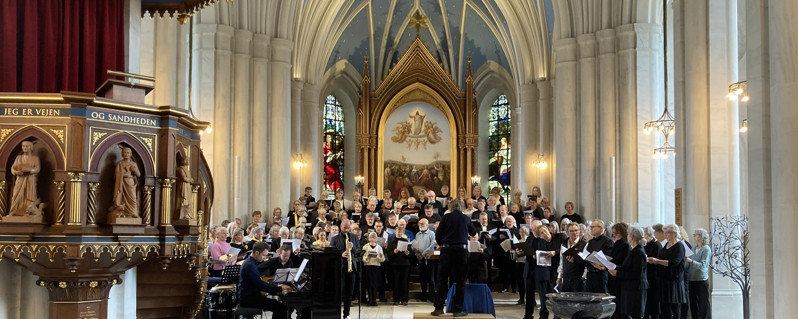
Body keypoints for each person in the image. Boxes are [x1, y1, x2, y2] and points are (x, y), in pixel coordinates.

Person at [431, 199, 477, 317]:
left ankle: (439, 308)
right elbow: (473, 233)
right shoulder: (466, 218)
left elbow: (438, 234)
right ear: (461, 207)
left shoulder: (446, 218)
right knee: (460, 281)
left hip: (447, 250)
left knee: (442, 279)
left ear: (450, 207)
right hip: (461, 251)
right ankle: (457, 310)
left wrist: (442, 244)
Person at [237, 242, 290, 319]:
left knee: (279, 306)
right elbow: (260, 285)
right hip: (248, 299)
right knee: (280, 307)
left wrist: (277, 286)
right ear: (257, 252)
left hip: (250, 296)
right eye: (264, 255)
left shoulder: (251, 262)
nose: (265, 258)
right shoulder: (250, 265)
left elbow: (260, 282)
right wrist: (279, 288)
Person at [648, 224, 687, 319]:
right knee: (665, 307)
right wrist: (654, 261)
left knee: (674, 306)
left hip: (674, 280)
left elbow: (674, 262)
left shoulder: (679, 246)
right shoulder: (666, 244)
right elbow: (661, 257)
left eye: (667, 233)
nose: (665, 235)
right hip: (664, 279)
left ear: (674, 233)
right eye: (664, 232)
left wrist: (657, 261)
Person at [609, 226, 649, 319]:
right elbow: (627, 268)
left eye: (628, 234)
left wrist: (617, 273)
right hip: (631, 287)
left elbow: (636, 274)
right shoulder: (634, 250)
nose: (626, 236)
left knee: (635, 315)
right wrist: (614, 267)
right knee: (629, 314)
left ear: (631, 237)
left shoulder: (638, 251)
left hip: (636, 288)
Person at [519, 224, 556, 319]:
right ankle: (528, 315)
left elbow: (549, 252)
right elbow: (526, 252)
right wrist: (520, 253)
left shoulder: (545, 239)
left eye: (535, 229)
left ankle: (543, 315)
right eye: (532, 230)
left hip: (542, 270)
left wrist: (538, 256)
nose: (534, 231)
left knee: (543, 295)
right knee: (529, 294)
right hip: (529, 269)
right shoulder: (529, 239)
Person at [330, 219, 360, 319]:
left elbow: (359, 253)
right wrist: (341, 255)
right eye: (344, 228)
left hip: (352, 269)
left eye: (348, 228)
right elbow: (331, 255)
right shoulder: (334, 239)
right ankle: (337, 313)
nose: (346, 230)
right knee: (340, 293)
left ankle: (346, 314)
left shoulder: (354, 237)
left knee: (349, 294)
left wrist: (353, 248)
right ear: (340, 226)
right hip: (340, 269)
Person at [686, 228, 711, 319]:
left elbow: (703, 266)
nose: (694, 236)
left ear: (701, 236)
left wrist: (691, 261)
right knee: (693, 303)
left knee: (703, 303)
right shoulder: (693, 248)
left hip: (701, 279)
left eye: (696, 234)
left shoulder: (706, 249)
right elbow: (687, 264)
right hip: (692, 279)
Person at [109, 147, 140, 218]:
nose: (126, 154)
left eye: (128, 153)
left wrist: (134, 170)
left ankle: (133, 213)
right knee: (121, 197)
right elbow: (116, 174)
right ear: (122, 154)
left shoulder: (133, 164)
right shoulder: (119, 164)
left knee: (132, 198)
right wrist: (123, 174)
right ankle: (122, 213)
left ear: (131, 154)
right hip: (121, 183)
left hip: (130, 182)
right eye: (124, 153)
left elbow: (138, 174)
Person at [557, 223, 588, 293]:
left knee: (578, 301)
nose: (575, 233)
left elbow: (586, 262)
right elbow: (561, 261)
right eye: (572, 231)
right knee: (566, 301)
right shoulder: (564, 244)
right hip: (566, 277)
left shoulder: (584, 244)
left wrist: (583, 277)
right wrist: (559, 276)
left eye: (576, 230)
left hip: (578, 278)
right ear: (567, 232)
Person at [585, 219, 614, 293]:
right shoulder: (591, 241)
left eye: (593, 227)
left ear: (601, 228)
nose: (590, 228)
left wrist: (602, 265)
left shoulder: (608, 241)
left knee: (600, 298)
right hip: (590, 274)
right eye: (590, 226)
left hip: (600, 274)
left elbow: (609, 257)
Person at [387, 223, 412, 305]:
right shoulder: (391, 242)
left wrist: (407, 253)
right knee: (396, 283)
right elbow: (389, 255)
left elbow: (409, 255)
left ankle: (404, 299)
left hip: (405, 265)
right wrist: (394, 252)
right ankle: (396, 300)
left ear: (403, 233)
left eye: (401, 232)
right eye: (398, 232)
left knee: (404, 283)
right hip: (395, 265)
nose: (399, 233)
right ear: (395, 232)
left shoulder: (406, 241)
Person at [414, 218, 437, 302]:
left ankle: (432, 296)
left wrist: (423, 254)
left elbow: (431, 245)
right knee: (422, 277)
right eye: (420, 224)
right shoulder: (417, 234)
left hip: (430, 257)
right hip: (420, 258)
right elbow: (416, 245)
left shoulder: (432, 233)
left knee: (431, 278)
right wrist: (417, 253)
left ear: (427, 225)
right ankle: (423, 295)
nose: (421, 225)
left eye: (423, 224)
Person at [644, 225, 663, 319]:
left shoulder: (657, 245)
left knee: (654, 303)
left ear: (649, 234)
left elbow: (656, 261)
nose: (643, 236)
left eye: (645, 234)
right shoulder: (646, 245)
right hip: (647, 275)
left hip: (654, 277)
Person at [362, 232, 386, 306]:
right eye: (371, 238)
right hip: (368, 266)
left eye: (374, 238)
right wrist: (367, 258)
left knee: (375, 284)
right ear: (369, 238)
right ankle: (370, 300)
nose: (372, 239)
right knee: (369, 284)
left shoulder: (379, 247)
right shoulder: (365, 247)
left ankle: (374, 300)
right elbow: (363, 258)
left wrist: (380, 256)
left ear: (376, 239)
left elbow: (383, 260)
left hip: (376, 267)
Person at [175, 156, 194, 220]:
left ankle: (188, 214)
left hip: (187, 186)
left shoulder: (187, 170)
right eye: (187, 160)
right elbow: (183, 178)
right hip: (183, 186)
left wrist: (190, 180)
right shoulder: (180, 169)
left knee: (188, 200)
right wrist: (190, 180)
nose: (188, 161)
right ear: (184, 160)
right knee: (183, 200)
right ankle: (183, 215)